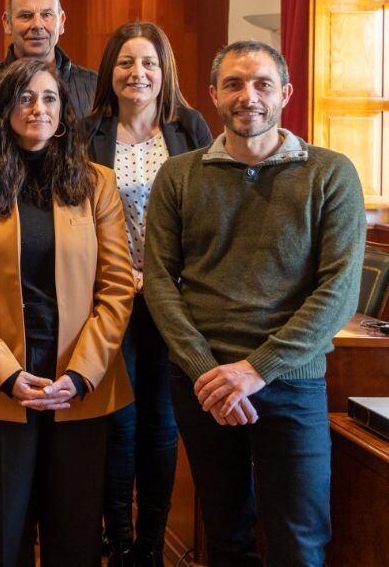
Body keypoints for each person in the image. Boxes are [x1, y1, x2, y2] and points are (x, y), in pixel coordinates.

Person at [143, 41, 364, 566]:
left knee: (299, 539)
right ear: (213, 95)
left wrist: (256, 370)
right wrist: (207, 371)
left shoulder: (330, 173)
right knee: (224, 537)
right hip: (205, 384)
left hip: (291, 382)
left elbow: (338, 291)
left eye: (262, 84)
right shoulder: (179, 174)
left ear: (285, 93)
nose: (249, 97)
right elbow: (158, 280)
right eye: (235, 85)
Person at [0, 57, 134, 566]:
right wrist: (6, 374)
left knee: (74, 534)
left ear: (64, 111)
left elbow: (116, 289)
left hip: (79, 385)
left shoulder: (97, 184)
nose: (38, 108)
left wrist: (84, 373)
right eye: (25, 97)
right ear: (4, 109)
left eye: (49, 98)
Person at [84, 22, 212, 566]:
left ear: (166, 73)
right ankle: (117, 540)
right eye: (126, 63)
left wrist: (163, 277)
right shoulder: (86, 132)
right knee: (118, 419)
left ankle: (151, 546)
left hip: (173, 301)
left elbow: (212, 211)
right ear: (110, 72)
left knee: (162, 421)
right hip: (107, 297)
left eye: (149, 64)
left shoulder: (190, 129)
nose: (138, 74)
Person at [0, 0, 97, 163]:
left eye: (47, 14)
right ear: (7, 23)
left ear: (61, 22)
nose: (37, 24)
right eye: (26, 15)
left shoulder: (95, 88)